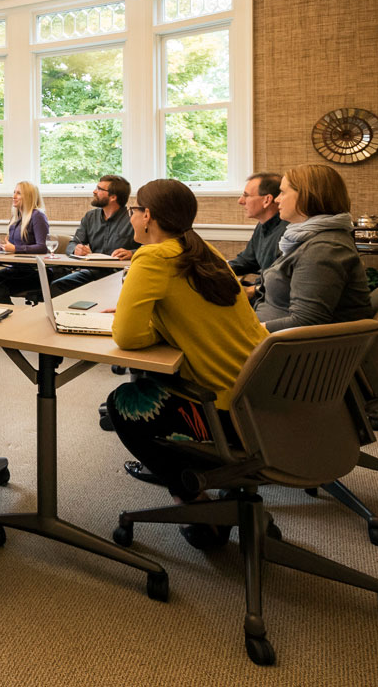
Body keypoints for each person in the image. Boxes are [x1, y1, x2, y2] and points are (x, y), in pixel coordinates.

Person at [104, 179, 268, 524]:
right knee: (154, 377)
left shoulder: (153, 256)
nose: (132, 218)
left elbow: (128, 337)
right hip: (265, 401)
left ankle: (192, 497)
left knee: (124, 403)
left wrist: (148, 324)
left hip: (226, 414)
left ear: (147, 215)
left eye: (134, 211)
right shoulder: (206, 252)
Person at [254, 164, 372, 331]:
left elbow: (307, 322)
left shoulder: (324, 248)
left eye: (283, 192)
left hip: (291, 350)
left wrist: (246, 332)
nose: (277, 199)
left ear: (306, 196)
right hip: (274, 341)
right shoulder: (305, 238)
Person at [47, 175, 138, 298]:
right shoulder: (90, 217)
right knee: (58, 285)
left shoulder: (133, 219)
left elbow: (150, 248)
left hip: (120, 274)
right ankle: (68, 317)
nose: (94, 191)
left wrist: (131, 253)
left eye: (99, 189)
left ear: (113, 197)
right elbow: (72, 243)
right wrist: (76, 249)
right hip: (94, 272)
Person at [0, 180, 50, 304]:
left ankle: (11, 319)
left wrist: (15, 249)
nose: (14, 196)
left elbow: (42, 247)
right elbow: (13, 246)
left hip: (35, 272)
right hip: (17, 268)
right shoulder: (16, 218)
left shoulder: (38, 216)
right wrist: (3, 247)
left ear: (28, 197)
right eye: (14, 192)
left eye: (18, 193)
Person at [228, 172, 288, 296]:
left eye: (246, 195)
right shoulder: (262, 225)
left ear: (267, 200)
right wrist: (214, 269)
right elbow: (247, 261)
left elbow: (283, 282)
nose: (240, 201)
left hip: (270, 299)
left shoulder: (288, 233)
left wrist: (252, 291)